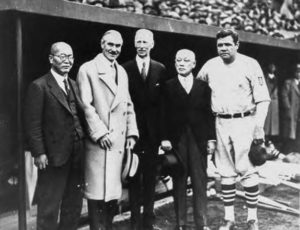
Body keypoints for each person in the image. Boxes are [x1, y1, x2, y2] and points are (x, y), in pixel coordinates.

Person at [197, 29, 270, 230]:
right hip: (220, 122)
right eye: (220, 45)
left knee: (247, 170)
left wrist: (258, 127)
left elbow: (263, 99)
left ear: (237, 44)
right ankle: (229, 218)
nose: (224, 49)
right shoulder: (210, 66)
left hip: (245, 122)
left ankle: (252, 218)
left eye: (228, 44)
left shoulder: (250, 64)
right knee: (226, 171)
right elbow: (197, 91)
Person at [77, 30, 139, 230]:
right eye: (110, 45)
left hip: (118, 144)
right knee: (96, 195)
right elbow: (85, 106)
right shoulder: (88, 69)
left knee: (113, 194)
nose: (114, 49)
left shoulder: (121, 72)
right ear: (102, 44)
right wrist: (100, 133)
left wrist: (131, 133)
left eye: (118, 46)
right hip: (99, 144)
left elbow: (128, 105)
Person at [24, 42, 85, 230]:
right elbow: (32, 124)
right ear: (51, 59)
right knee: (49, 207)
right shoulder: (39, 86)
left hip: (77, 155)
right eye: (62, 56)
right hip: (53, 157)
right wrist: (39, 153)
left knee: (73, 206)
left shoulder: (74, 84)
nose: (67, 61)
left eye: (70, 57)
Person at [161, 49, 215, 230]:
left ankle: (202, 222)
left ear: (194, 64)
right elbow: (162, 114)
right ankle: (181, 223)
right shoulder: (168, 86)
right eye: (178, 60)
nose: (181, 63)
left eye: (186, 60)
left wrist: (211, 139)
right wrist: (164, 138)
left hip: (198, 140)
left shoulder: (203, 87)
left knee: (200, 181)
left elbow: (209, 115)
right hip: (177, 141)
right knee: (179, 180)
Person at [122, 28, 167, 230]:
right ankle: (133, 222)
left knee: (150, 179)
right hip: (132, 134)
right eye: (138, 42)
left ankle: (148, 221)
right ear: (134, 44)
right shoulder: (125, 68)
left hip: (152, 135)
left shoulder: (160, 69)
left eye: (145, 42)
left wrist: (162, 136)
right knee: (133, 179)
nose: (141, 46)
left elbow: (163, 105)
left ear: (152, 44)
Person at [281, 62, 300, 154]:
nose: (299, 73)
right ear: (294, 72)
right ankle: (287, 151)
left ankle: (297, 151)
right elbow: (284, 96)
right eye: (297, 71)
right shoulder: (288, 82)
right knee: (289, 132)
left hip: (299, 112)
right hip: (292, 110)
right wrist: (287, 108)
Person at [264, 63, 280, 143]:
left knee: (273, 122)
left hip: (274, 102)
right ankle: (265, 137)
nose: (272, 68)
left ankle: (271, 139)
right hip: (267, 100)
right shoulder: (264, 77)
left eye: (274, 67)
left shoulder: (276, 78)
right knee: (266, 121)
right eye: (271, 67)